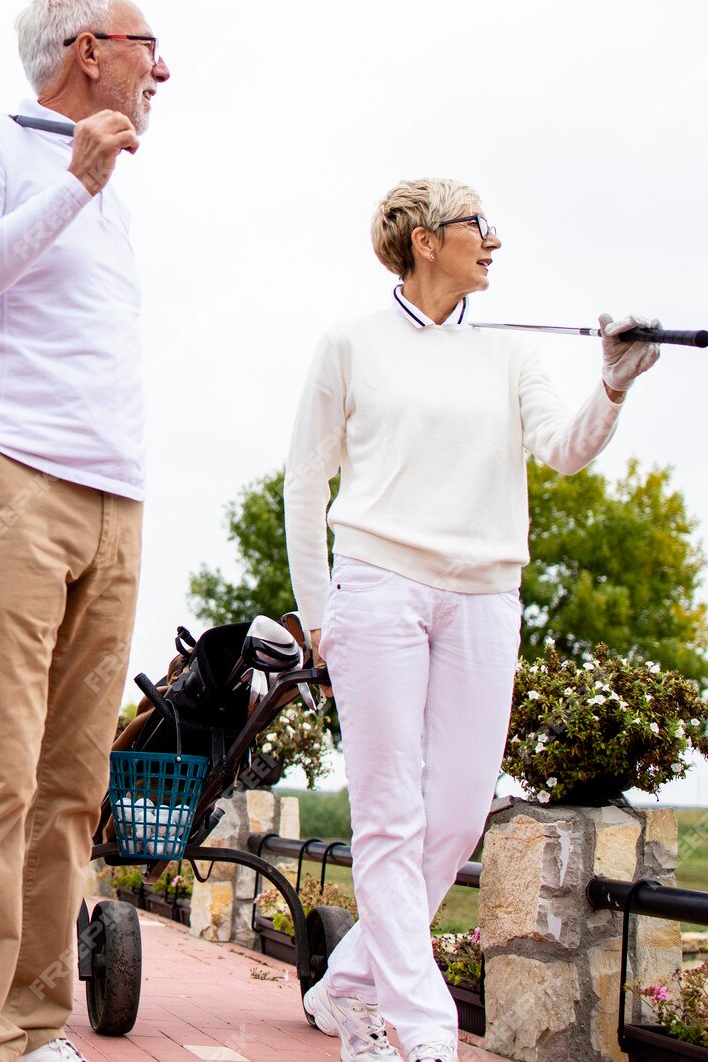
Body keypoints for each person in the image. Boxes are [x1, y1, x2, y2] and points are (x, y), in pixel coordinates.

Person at [284, 178, 665, 1062]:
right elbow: (307, 481)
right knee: (388, 815)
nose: (493, 242)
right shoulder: (348, 342)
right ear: (424, 240)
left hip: (486, 595)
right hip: (377, 587)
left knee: (453, 817)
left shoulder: (510, 355)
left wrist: (611, 385)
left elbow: (564, 451)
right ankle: (415, 1032)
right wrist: (318, 618)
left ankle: (348, 982)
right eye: (476, 227)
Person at [0, 0, 169, 1062]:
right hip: (6, 478)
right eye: (148, 46)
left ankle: (30, 1022)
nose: (162, 70)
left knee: (72, 784)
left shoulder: (105, 186)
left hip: (113, 499)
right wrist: (69, 181)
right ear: (86, 49)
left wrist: (85, 183)